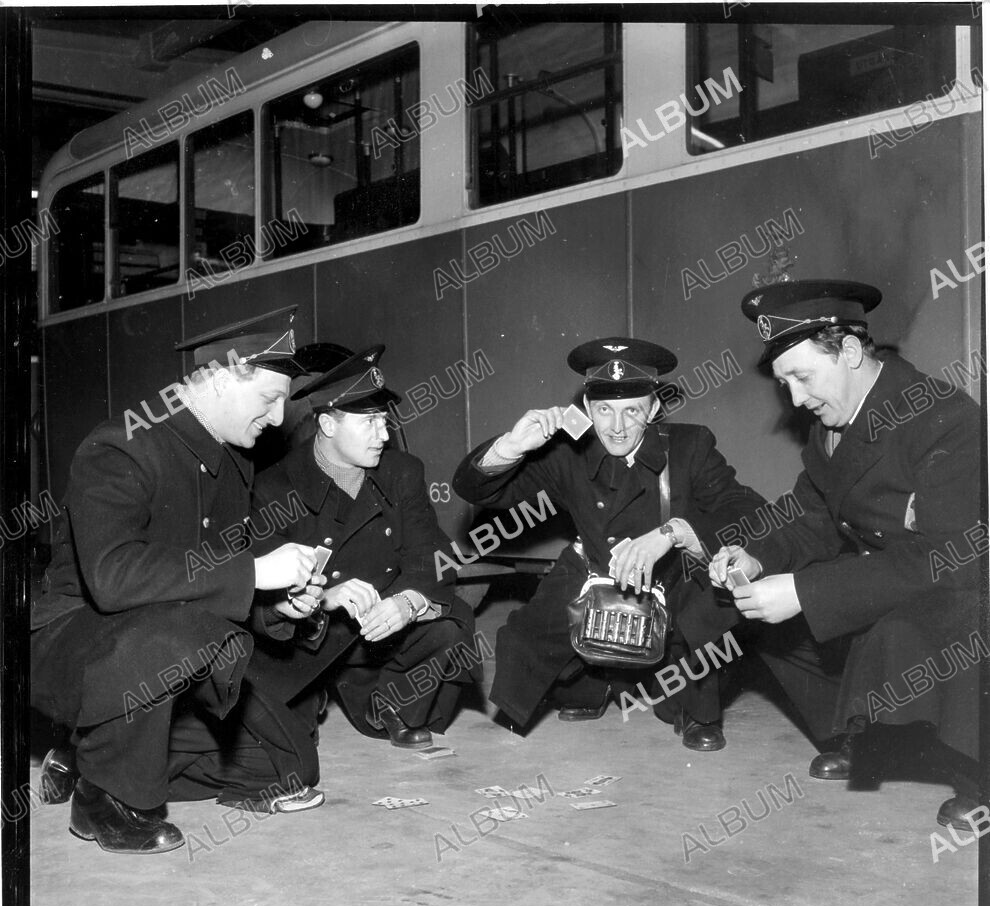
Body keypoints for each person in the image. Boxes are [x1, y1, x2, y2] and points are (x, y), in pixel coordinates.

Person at [31, 307, 328, 855]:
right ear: (219, 378)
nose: (277, 416)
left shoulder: (234, 463)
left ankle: (90, 753)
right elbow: (112, 578)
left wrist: (275, 606)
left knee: (285, 766)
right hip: (76, 642)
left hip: (170, 648)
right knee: (176, 632)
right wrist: (256, 571)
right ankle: (105, 798)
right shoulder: (122, 443)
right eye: (269, 398)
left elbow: (212, 582)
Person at [709, 279, 983, 831]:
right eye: (784, 383)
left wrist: (804, 591)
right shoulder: (831, 426)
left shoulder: (943, 417)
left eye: (803, 377)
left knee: (908, 627)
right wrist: (755, 557)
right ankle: (856, 733)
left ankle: (978, 777)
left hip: (959, 592)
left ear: (851, 352)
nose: (795, 400)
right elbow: (811, 515)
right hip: (889, 582)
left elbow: (951, 559)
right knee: (755, 619)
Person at [452, 338, 768, 749]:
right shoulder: (568, 453)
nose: (616, 427)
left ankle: (695, 713)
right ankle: (589, 687)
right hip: (594, 572)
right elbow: (476, 491)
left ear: (653, 409)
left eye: (631, 411)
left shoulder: (689, 446)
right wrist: (511, 446)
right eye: (604, 410)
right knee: (527, 637)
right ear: (587, 407)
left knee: (698, 641)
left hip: (670, 582)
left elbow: (746, 508)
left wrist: (675, 532)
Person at [243, 342, 478, 751]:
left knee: (450, 623)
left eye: (384, 421)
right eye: (369, 422)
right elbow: (263, 600)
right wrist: (324, 598)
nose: (383, 435)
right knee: (285, 753)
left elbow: (431, 554)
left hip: (378, 630)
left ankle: (392, 704)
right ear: (328, 425)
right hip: (310, 639)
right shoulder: (275, 488)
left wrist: (408, 602)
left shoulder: (402, 472)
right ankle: (316, 691)